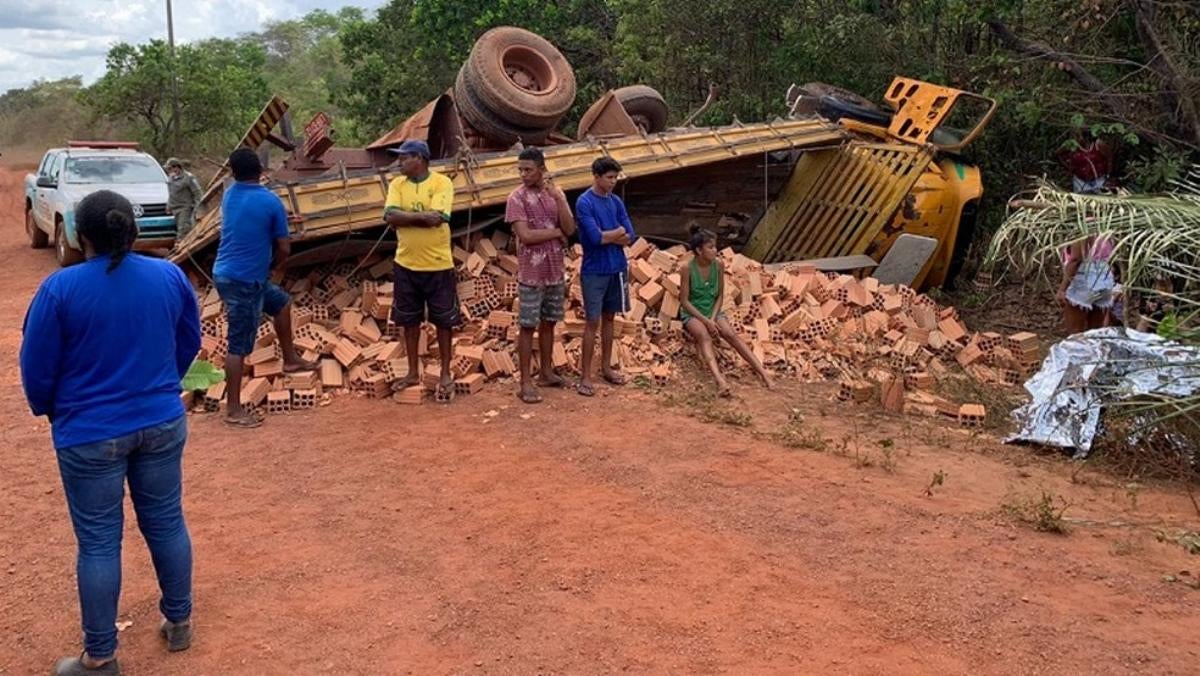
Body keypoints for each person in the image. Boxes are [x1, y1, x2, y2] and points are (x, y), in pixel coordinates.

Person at [20, 191, 200, 676]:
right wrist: (163, 386)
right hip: (161, 420)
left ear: (80, 236)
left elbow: (36, 369)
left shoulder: (60, 290)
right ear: (133, 232)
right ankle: (179, 622)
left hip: (88, 432)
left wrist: (53, 411)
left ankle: (100, 657)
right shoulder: (168, 276)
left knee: (99, 542)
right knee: (166, 521)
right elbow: (189, 341)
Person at [213, 148, 316, 427]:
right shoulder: (270, 201)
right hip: (244, 281)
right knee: (239, 343)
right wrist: (274, 266)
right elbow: (284, 247)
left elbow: (250, 222)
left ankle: (291, 359)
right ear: (260, 169)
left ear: (233, 174)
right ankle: (233, 409)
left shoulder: (230, 195)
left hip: (228, 274)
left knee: (280, 302)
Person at [383, 139, 459, 400]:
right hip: (406, 264)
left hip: (438, 265)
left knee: (444, 321)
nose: (400, 163)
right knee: (408, 321)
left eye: (404, 158)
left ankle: (446, 372)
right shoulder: (397, 185)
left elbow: (437, 218)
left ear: (419, 158)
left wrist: (404, 219)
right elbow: (390, 217)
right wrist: (421, 218)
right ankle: (413, 372)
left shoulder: (441, 183)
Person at [506, 147, 576, 403]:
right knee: (527, 326)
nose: (523, 175)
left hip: (555, 270)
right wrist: (556, 234)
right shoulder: (516, 198)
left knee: (549, 323)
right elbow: (526, 236)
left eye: (528, 170)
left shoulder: (555, 195)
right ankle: (525, 381)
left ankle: (546, 372)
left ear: (542, 169)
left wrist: (559, 199)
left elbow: (570, 228)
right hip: (531, 273)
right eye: (520, 170)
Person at [679, 225, 773, 396]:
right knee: (704, 336)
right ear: (699, 250)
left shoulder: (719, 265)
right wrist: (706, 322)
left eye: (715, 246)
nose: (716, 250)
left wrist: (713, 318)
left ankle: (763, 373)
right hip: (693, 313)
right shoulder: (687, 268)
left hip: (713, 310)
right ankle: (720, 380)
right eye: (711, 247)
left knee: (730, 334)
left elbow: (720, 296)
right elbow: (684, 302)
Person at [574, 157, 635, 397]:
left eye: (615, 177)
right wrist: (616, 233)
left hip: (617, 267)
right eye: (609, 177)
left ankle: (606, 368)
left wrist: (612, 234)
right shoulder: (584, 202)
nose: (613, 182)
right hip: (594, 270)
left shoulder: (616, 201)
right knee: (591, 322)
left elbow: (630, 234)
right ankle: (585, 376)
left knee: (610, 318)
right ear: (596, 176)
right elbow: (593, 237)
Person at [1057, 235, 1116, 334]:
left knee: (1076, 332)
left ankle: (1076, 349)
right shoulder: (1106, 227)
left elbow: (1075, 260)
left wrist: (1062, 289)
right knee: (1095, 332)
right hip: (1105, 280)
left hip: (1085, 280)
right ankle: (1092, 349)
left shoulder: (1084, 228)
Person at [164, 158, 203, 239]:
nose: (169, 171)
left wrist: (198, 207)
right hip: (175, 208)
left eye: (170, 168)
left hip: (185, 208)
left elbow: (197, 193)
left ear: (177, 167)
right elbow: (172, 193)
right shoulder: (171, 178)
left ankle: (182, 247)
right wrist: (168, 206)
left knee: (183, 230)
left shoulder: (188, 177)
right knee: (177, 229)